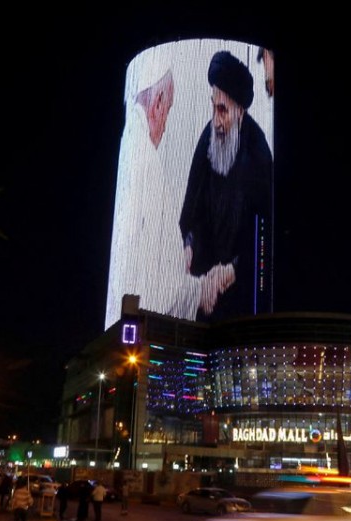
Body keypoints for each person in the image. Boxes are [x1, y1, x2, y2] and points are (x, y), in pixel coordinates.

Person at [105, 51, 235, 327]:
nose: (164, 127)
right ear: (158, 103)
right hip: (144, 334)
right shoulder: (145, 161)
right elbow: (158, 292)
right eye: (169, 109)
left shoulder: (132, 150)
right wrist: (199, 286)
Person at [179, 50, 274, 322]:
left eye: (223, 110)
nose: (217, 121)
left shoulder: (259, 153)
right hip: (202, 289)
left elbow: (263, 239)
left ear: (240, 111)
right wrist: (188, 246)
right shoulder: (206, 139)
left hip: (238, 299)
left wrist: (232, 269)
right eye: (214, 107)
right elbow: (192, 215)